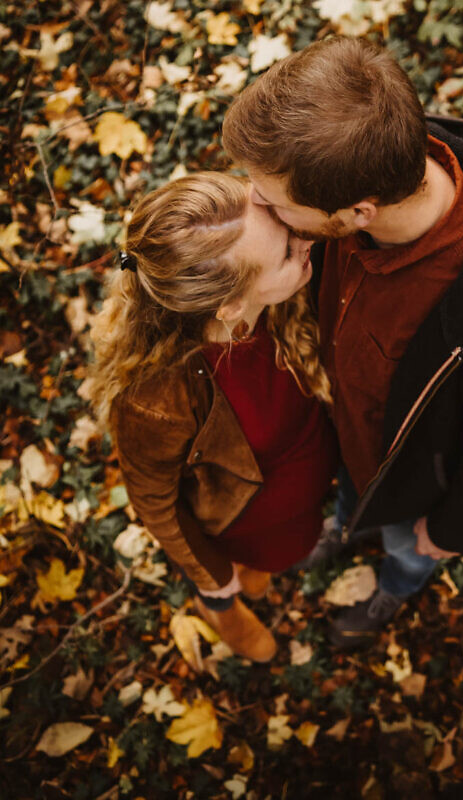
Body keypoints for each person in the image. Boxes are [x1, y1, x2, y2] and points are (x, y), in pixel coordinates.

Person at [222, 36, 463, 649]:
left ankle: (396, 586)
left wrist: (453, 528)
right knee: (352, 500)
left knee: (406, 549)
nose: (256, 201)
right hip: (350, 435)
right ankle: (346, 528)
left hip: (417, 485)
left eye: (274, 200)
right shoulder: (357, 163)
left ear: (359, 212)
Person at [88, 172, 338, 662]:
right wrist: (217, 583)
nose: (305, 241)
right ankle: (221, 611)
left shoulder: (283, 294)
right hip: (248, 522)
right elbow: (157, 505)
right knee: (250, 572)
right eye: (285, 252)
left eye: (283, 222)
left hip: (306, 493)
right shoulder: (155, 402)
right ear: (230, 306)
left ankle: (261, 570)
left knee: (277, 563)